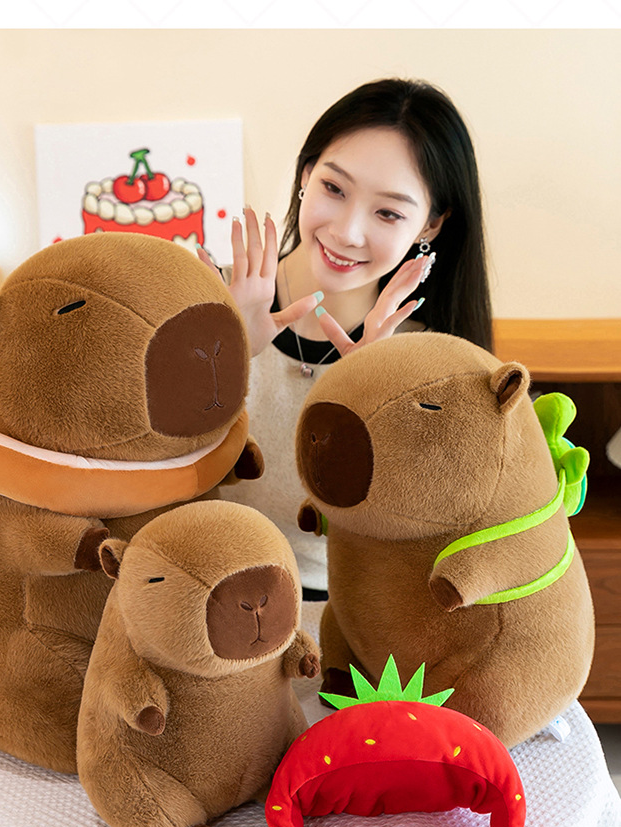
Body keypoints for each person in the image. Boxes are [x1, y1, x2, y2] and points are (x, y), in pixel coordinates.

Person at [201, 78, 493, 598]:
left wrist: (377, 403)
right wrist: (224, 362)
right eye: (334, 189)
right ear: (306, 175)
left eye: (388, 212)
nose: (346, 232)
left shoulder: (431, 365)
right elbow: (132, 473)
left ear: (430, 226)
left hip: (349, 624)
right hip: (199, 604)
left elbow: (431, 545)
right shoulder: (204, 298)